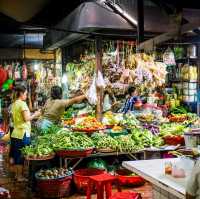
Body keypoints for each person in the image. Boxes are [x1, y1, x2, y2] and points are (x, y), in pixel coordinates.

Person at [10, 85, 41, 182]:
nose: (26, 96)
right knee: (20, 156)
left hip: (16, 133)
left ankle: (17, 175)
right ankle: (19, 177)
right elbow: (27, 118)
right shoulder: (22, 104)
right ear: (21, 93)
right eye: (26, 94)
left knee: (17, 155)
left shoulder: (14, 103)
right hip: (22, 134)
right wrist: (36, 114)